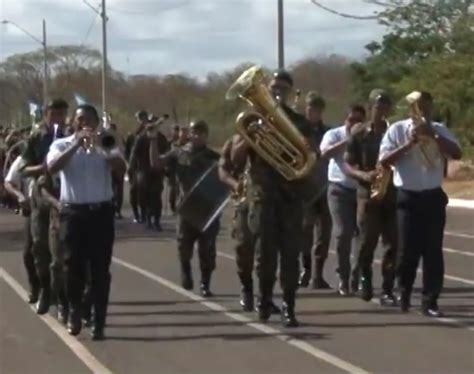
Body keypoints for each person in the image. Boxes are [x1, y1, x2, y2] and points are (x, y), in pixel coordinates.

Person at [231, 70, 314, 327]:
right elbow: (235, 159)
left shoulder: (300, 122)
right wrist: (251, 139)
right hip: (262, 197)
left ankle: (289, 306)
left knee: (291, 254)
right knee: (264, 254)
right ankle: (264, 300)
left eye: (282, 88)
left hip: (290, 197)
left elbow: (307, 158)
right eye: (273, 87)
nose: (277, 91)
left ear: (289, 91)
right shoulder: (252, 120)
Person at [47, 104, 126, 340]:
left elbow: (121, 171)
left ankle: (99, 321)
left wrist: (104, 149)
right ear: (73, 123)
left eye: (89, 120)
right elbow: (52, 168)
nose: (85, 124)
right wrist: (75, 145)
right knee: (73, 268)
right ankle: (74, 311)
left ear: (96, 123)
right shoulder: (60, 144)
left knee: (101, 271)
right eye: (80, 120)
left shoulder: (107, 143)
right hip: (73, 214)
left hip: (100, 213)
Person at [379, 91, 462, 317]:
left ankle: (430, 300)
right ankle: (404, 292)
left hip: (433, 197)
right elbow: (384, 161)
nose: (422, 110)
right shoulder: (397, 129)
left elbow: (456, 153)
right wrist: (409, 143)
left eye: (426, 106)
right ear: (411, 108)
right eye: (418, 106)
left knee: (433, 251)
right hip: (408, 197)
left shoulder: (438, 128)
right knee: (407, 251)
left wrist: (433, 135)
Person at [150, 120, 220, 297]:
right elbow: (157, 163)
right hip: (186, 208)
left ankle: (205, 283)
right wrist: (152, 140)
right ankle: (186, 270)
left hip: (207, 208)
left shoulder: (214, 157)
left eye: (200, 133)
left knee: (208, 249)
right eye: (194, 132)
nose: (196, 136)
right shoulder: (179, 153)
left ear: (206, 135)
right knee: (184, 246)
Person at [344, 91, 398, 306]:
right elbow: (347, 164)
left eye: (385, 105)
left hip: (392, 193)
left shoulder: (394, 132)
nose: (381, 109)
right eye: (378, 105)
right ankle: (364, 279)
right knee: (367, 241)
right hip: (368, 193)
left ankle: (387, 288)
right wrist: (363, 175)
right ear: (370, 107)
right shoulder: (359, 133)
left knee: (393, 243)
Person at [21, 98, 68, 315]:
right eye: (54, 113)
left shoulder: (71, 136)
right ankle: (45, 291)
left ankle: (63, 296)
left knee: (63, 253)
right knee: (39, 248)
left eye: (62, 113)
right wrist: (43, 167)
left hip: (64, 198)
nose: (58, 118)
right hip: (41, 198)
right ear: (46, 114)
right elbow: (24, 169)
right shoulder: (36, 137)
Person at [320, 105, 365, 296]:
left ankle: (357, 277)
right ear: (345, 120)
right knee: (343, 233)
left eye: (358, 120)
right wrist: (350, 138)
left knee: (363, 235)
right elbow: (325, 154)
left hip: (362, 191)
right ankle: (343, 278)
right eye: (351, 120)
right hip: (339, 189)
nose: (354, 124)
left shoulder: (368, 136)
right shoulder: (334, 134)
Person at [299, 92, 332, 289]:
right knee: (305, 232)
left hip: (325, 187)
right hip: (305, 187)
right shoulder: (298, 130)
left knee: (324, 233)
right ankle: (306, 269)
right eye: (310, 108)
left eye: (316, 109)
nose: (313, 112)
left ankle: (318, 274)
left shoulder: (328, 132)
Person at [4, 155, 38, 303]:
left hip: (57, 208)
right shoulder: (24, 158)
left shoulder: (59, 151)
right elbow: (9, 182)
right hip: (33, 209)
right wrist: (19, 196)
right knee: (28, 253)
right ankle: (35, 287)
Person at [129, 117, 169, 230]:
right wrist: (131, 168)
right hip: (143, 170)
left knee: (156, 196)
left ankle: (156, 220)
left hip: (157, 171)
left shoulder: (161, 138)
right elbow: (134, 153)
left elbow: (167, 153)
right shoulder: (141, 138)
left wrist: (166, 167)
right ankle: (146, 218)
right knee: (143, 195)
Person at [125, 110, 148, 223]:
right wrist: (129, 163)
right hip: (135, 167)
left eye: (143, 118)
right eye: (139, 118)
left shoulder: (151, 132)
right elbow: (127, 151)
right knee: (133, 192)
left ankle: (144, 214)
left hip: (146, 166)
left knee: (144, 193)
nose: (141, 121)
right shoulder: (133, 135)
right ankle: (136, 214)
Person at [167, 126, 189, 214]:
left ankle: (181, 208)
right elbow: (172, 154)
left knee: (184, 191)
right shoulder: (174, 144)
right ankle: (173, 207)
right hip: (175, 169)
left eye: (185, 132)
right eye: (182, 132)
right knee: (173, 192)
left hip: (186, 170)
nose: (183, 134)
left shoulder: (190, 144)